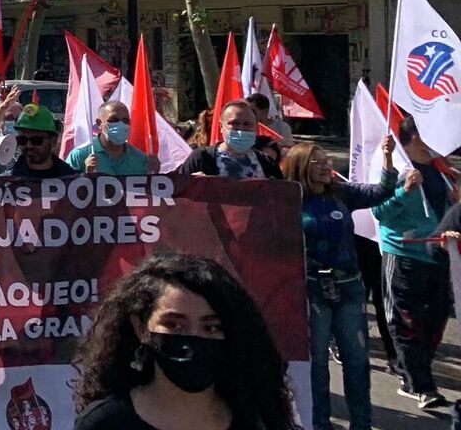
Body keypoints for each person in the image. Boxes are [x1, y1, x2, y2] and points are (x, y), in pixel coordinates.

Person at [72, 253, 296, 430]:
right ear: (141, 328)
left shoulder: (252, 420)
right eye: (174, 324)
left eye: (211, 327)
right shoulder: (104, 423)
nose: (193, 338)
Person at [281, 141, 391, 429]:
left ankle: (361, 424)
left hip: (349, 287)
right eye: (316, 162)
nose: (326, 165)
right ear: (301, 166)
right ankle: (319, 424)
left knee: (356, 361)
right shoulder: (288, 199)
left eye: (326, 159)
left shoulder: (341, 193)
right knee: (317, 364)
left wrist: (389, 163)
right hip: (312, 289)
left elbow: (381, 192)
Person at [371, 114, 453, 409]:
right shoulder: (395, 167)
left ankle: (415, 376)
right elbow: (379, 212)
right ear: (417, 136)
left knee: (436, 319)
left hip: (437, 255)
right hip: (404, 254)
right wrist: (404, 191)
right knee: (406, 321)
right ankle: (422, 385)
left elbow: (446, 212)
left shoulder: (442, 170)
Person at [177, 100, 278, 178]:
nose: (241, 129)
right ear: (221, 127)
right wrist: (191, 183)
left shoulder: (267, 163)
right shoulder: (202, 158)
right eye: (234, 123)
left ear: (256, 127)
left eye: (247, 124)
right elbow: (174, 190)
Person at [66, 100, 158, 176]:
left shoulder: (140, 159)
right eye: (114, 120)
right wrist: (86, 176)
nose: (121, 124)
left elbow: (148, 193)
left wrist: (154, 175)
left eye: (125, 121)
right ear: (99, 123)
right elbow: (64, 191)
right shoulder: (80, 155)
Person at [3, 104, 79, 180]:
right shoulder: (7, 183)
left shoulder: (72, 180)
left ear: (53, 141)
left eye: (36, 140)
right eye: (22, 140)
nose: (28, 146)